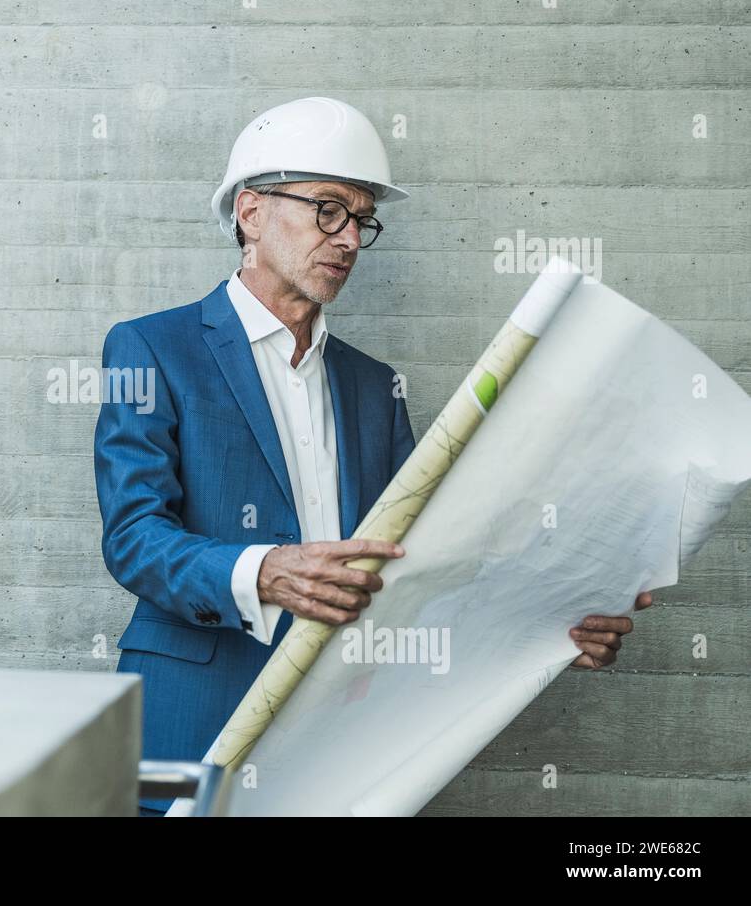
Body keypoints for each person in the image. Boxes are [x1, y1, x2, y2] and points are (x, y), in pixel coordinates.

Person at [93, 97, 649, 816]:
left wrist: (548, 628)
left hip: (338, 738)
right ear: (252, 212)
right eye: (328, 209)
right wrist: (261, 570)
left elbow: (423, 562)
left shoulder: (372, 385)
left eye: (361, 219)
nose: (349, 238)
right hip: (187, 720)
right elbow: (134, 537)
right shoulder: (150, 348)